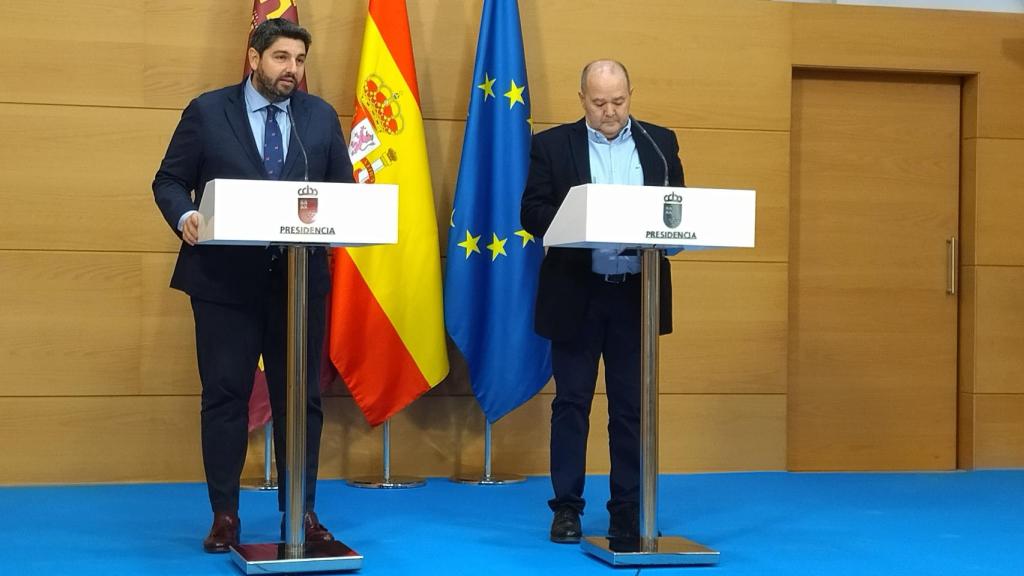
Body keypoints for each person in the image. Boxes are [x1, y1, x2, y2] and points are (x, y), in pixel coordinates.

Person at [152, 18, 352, 553]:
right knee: (225, 397)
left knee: (302, 401)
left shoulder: (319, 117)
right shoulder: (207, 111)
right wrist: (185, 215)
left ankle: (302, 511)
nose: (292, 70)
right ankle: (225, 515)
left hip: (298, 283)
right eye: (282, 58)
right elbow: (169, 179)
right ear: (254, 57)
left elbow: (341, 195)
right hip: (223, 283)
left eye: (300, 60)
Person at [520, 60, 685, 543]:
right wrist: (583, 218)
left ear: (631, 94)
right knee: (571, 404)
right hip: (577, 292)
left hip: (637, 292)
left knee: (630, 408)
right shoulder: (552, 145)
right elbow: (531, 211)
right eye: (599, 103)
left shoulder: (660, 141)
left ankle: (627, 511)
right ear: (582, 99)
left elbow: (677, 206)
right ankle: (567, 509)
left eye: (618, 101)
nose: (610, 112)